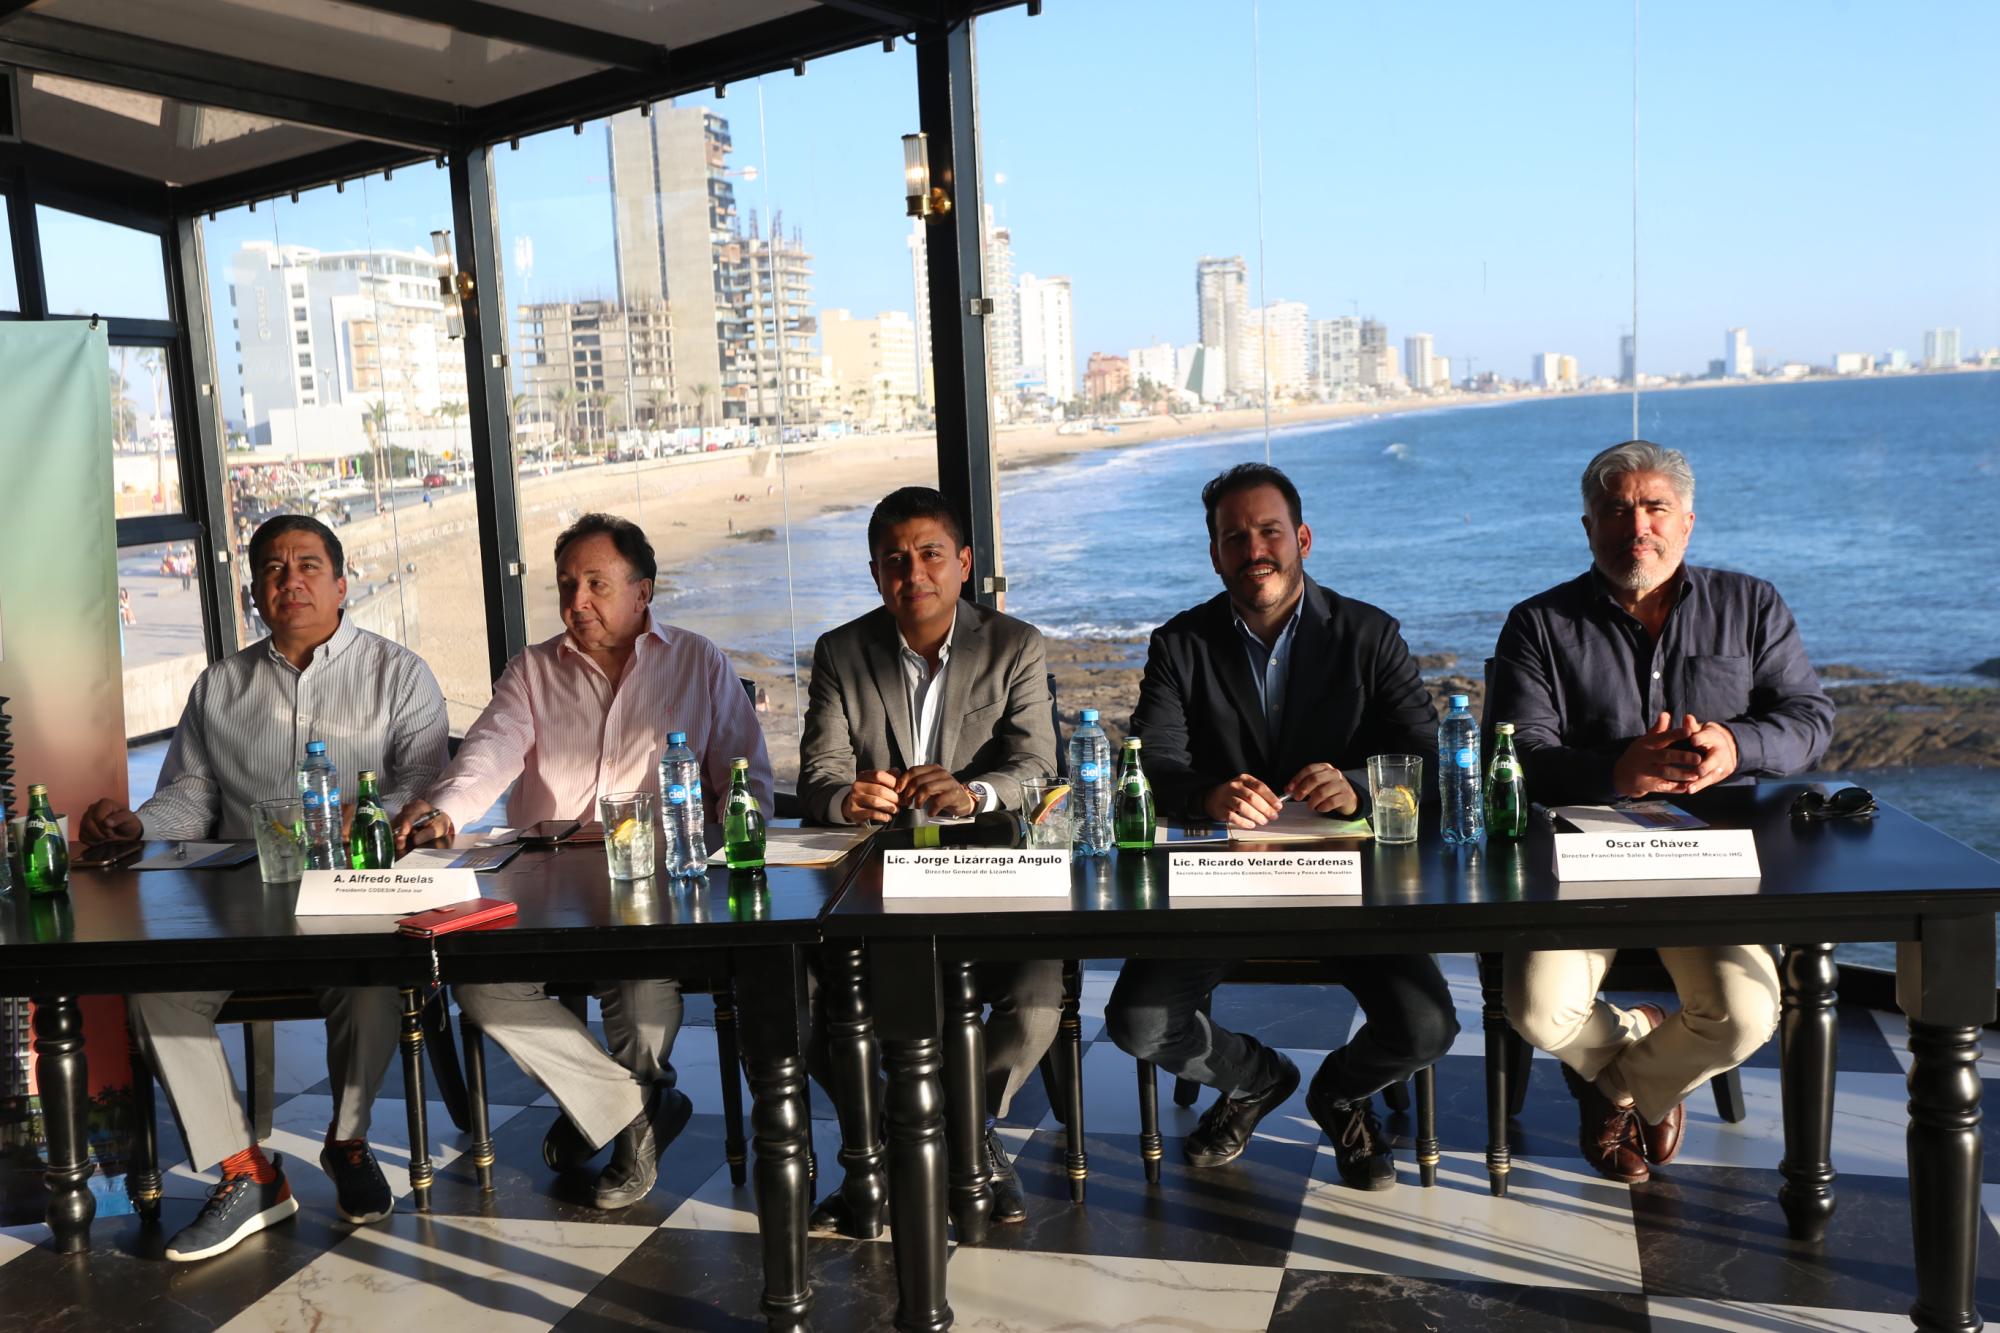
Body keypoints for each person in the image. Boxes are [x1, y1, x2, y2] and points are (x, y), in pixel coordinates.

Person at [80, 515, 449, 1261]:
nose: (292, 580)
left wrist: (372, 809)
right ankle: (246, 1171)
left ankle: (346, 1141)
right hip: (241, 905)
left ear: (342, 582)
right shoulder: (220, 686)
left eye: (309, 564)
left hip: (353, 897)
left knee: (373, 981)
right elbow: (190, 797)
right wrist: (137, 825)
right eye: (274, 569)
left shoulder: (398, 673)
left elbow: (422, 779)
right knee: (154, 989)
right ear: (256, 590)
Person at [393, 512, 771, 1211]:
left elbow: (749, 785)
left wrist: (708, 862)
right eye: (567, 586)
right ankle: (632, 1113)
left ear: (642, 591)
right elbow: (489, 750)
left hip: (657, 883)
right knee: (480, 985)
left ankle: (609, 1111)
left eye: (597, 583)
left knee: (642, 990)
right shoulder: (533, 670)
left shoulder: (698, 661)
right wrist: (446, 807)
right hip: (546, 884)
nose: (577, 603)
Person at [1104, 463, 1456, 1191]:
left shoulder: (1368, 633)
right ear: (1214, 554)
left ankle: (1339, 1090)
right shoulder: (1180, 644)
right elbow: (1152, 763)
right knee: (1137, 1021)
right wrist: (1207, 794)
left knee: (1428, 1027)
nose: (1253, 548)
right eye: (1234, 536)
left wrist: (1358, 786)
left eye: (1268, 531)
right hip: (1224, 885)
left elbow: (1429, 760)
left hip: (1349, 886)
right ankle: (1257, 1078)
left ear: (1301, 538)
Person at [1489, 439, 1834, 1183]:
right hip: (1580, 859)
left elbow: (1811, 718)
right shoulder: (1537, 624)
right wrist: (1617, 770)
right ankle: (1646, 1042)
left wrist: (1735, 745)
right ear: (1588, 526)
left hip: (1716, 859)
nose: (1635, 525)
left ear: (1687, 521)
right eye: (1615, 510)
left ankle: (1617, 1084)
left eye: (1654, 508)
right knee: (1538, 1011)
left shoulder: (1752, 604)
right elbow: (1517, 755)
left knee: (1745, 1016)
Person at [797, 486, 1061, 1227]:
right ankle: (911, 1137)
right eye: (894, 560)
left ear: (964, 563)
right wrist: (848, 800)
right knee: (803, 1002)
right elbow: (815, 777)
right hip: (874, 878)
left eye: (930, 554)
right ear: (876, 573)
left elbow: (1039, 766)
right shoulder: (840, 652)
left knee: (1037, 1002)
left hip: (989, 865)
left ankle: (960, 1129)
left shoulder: (1015, 645)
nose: (914, 572)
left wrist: (974, 793)